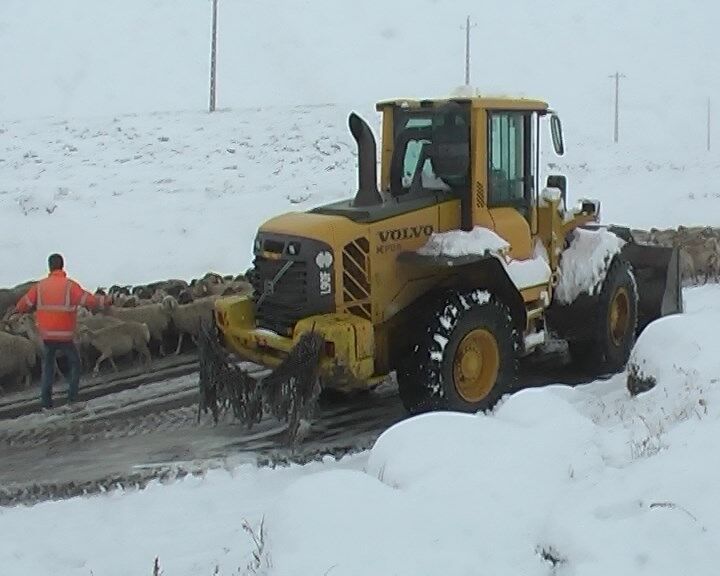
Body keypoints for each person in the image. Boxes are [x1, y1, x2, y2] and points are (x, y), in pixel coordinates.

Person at [14, 253, 111, 409]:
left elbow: (23, 304)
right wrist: (106, 300)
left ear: (49, 267)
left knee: (48, 367)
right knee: (76, 364)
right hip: (65, 335)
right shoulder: (69, 286)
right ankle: (72, 398)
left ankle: (46, 402)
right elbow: (89, 300)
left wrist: (18, 309)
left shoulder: (40, 287)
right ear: (62, 266)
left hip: (46, 336)